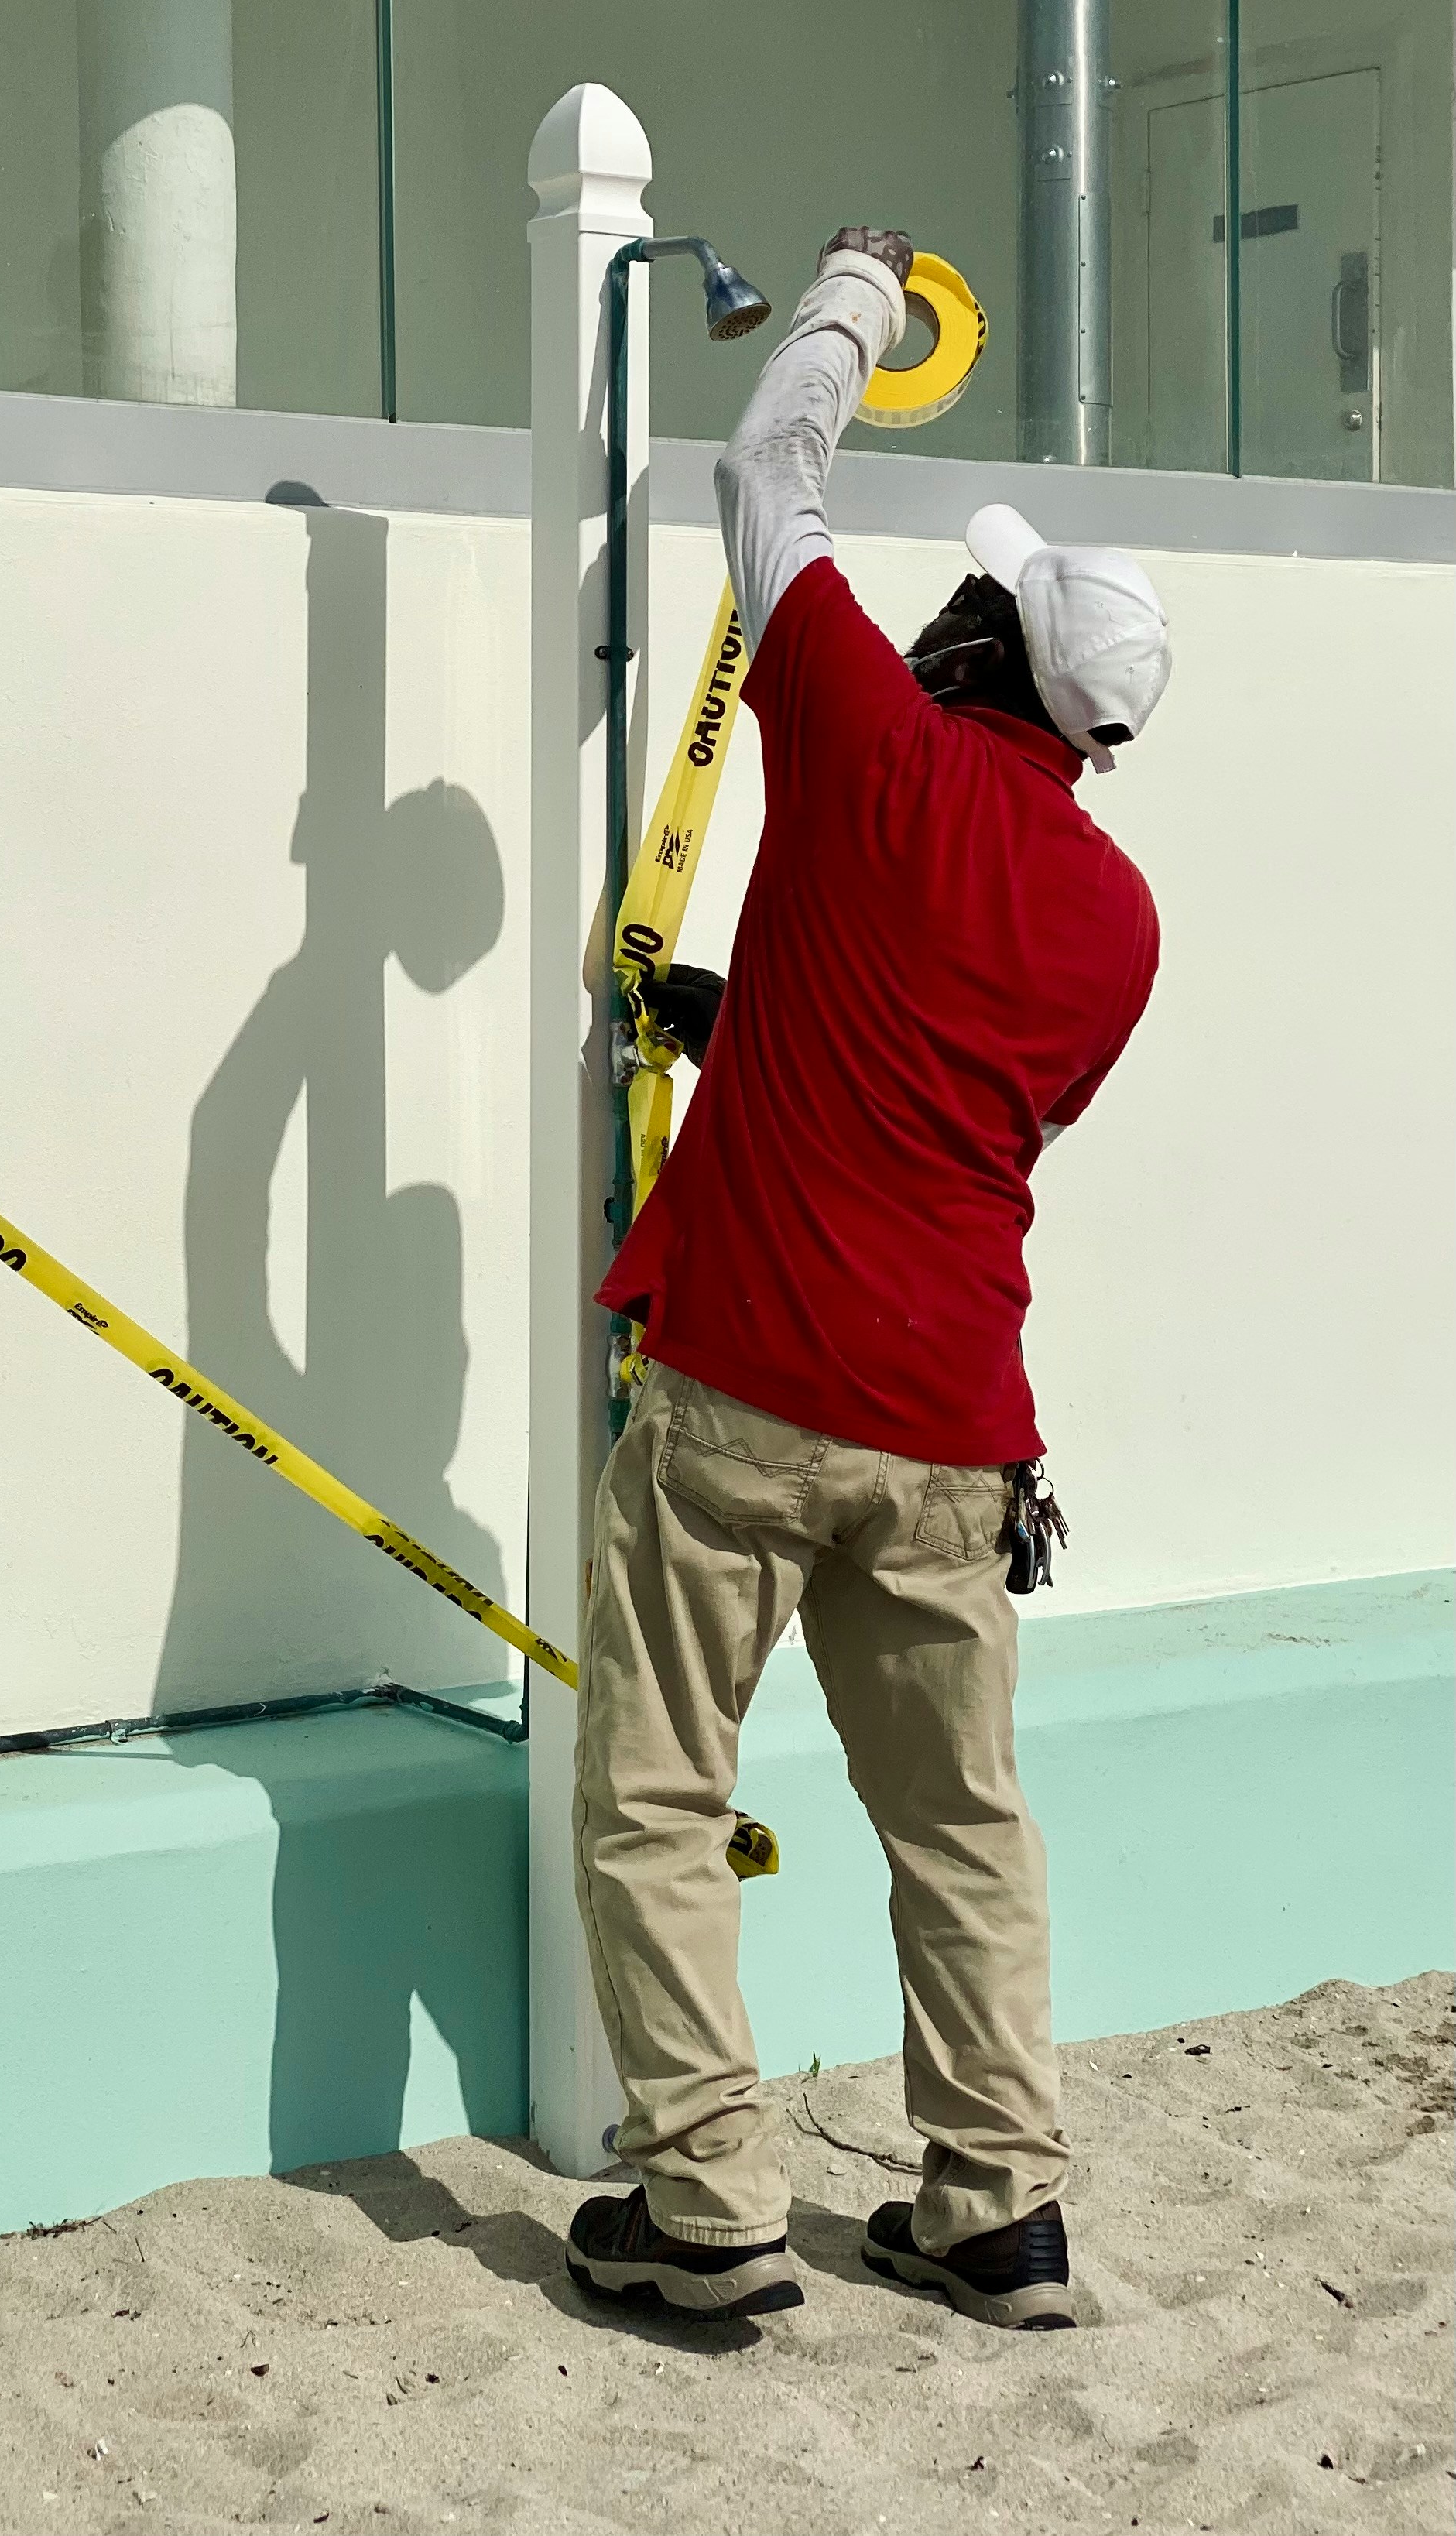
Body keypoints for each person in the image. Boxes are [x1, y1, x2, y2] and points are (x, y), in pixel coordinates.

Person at [564, 228, 1171, 2331]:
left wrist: (846, 299)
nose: (936, 607)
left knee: (654, 1795)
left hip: (740, 1394)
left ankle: (710, 2204)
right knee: (959, 1831)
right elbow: (948, 1096)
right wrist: (751, 1016)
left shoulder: (866, 747)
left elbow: (763, 477)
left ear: (987, 660)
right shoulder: (1115, 922)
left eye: (969, 602)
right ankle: (996, 2207)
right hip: (949, 1439)